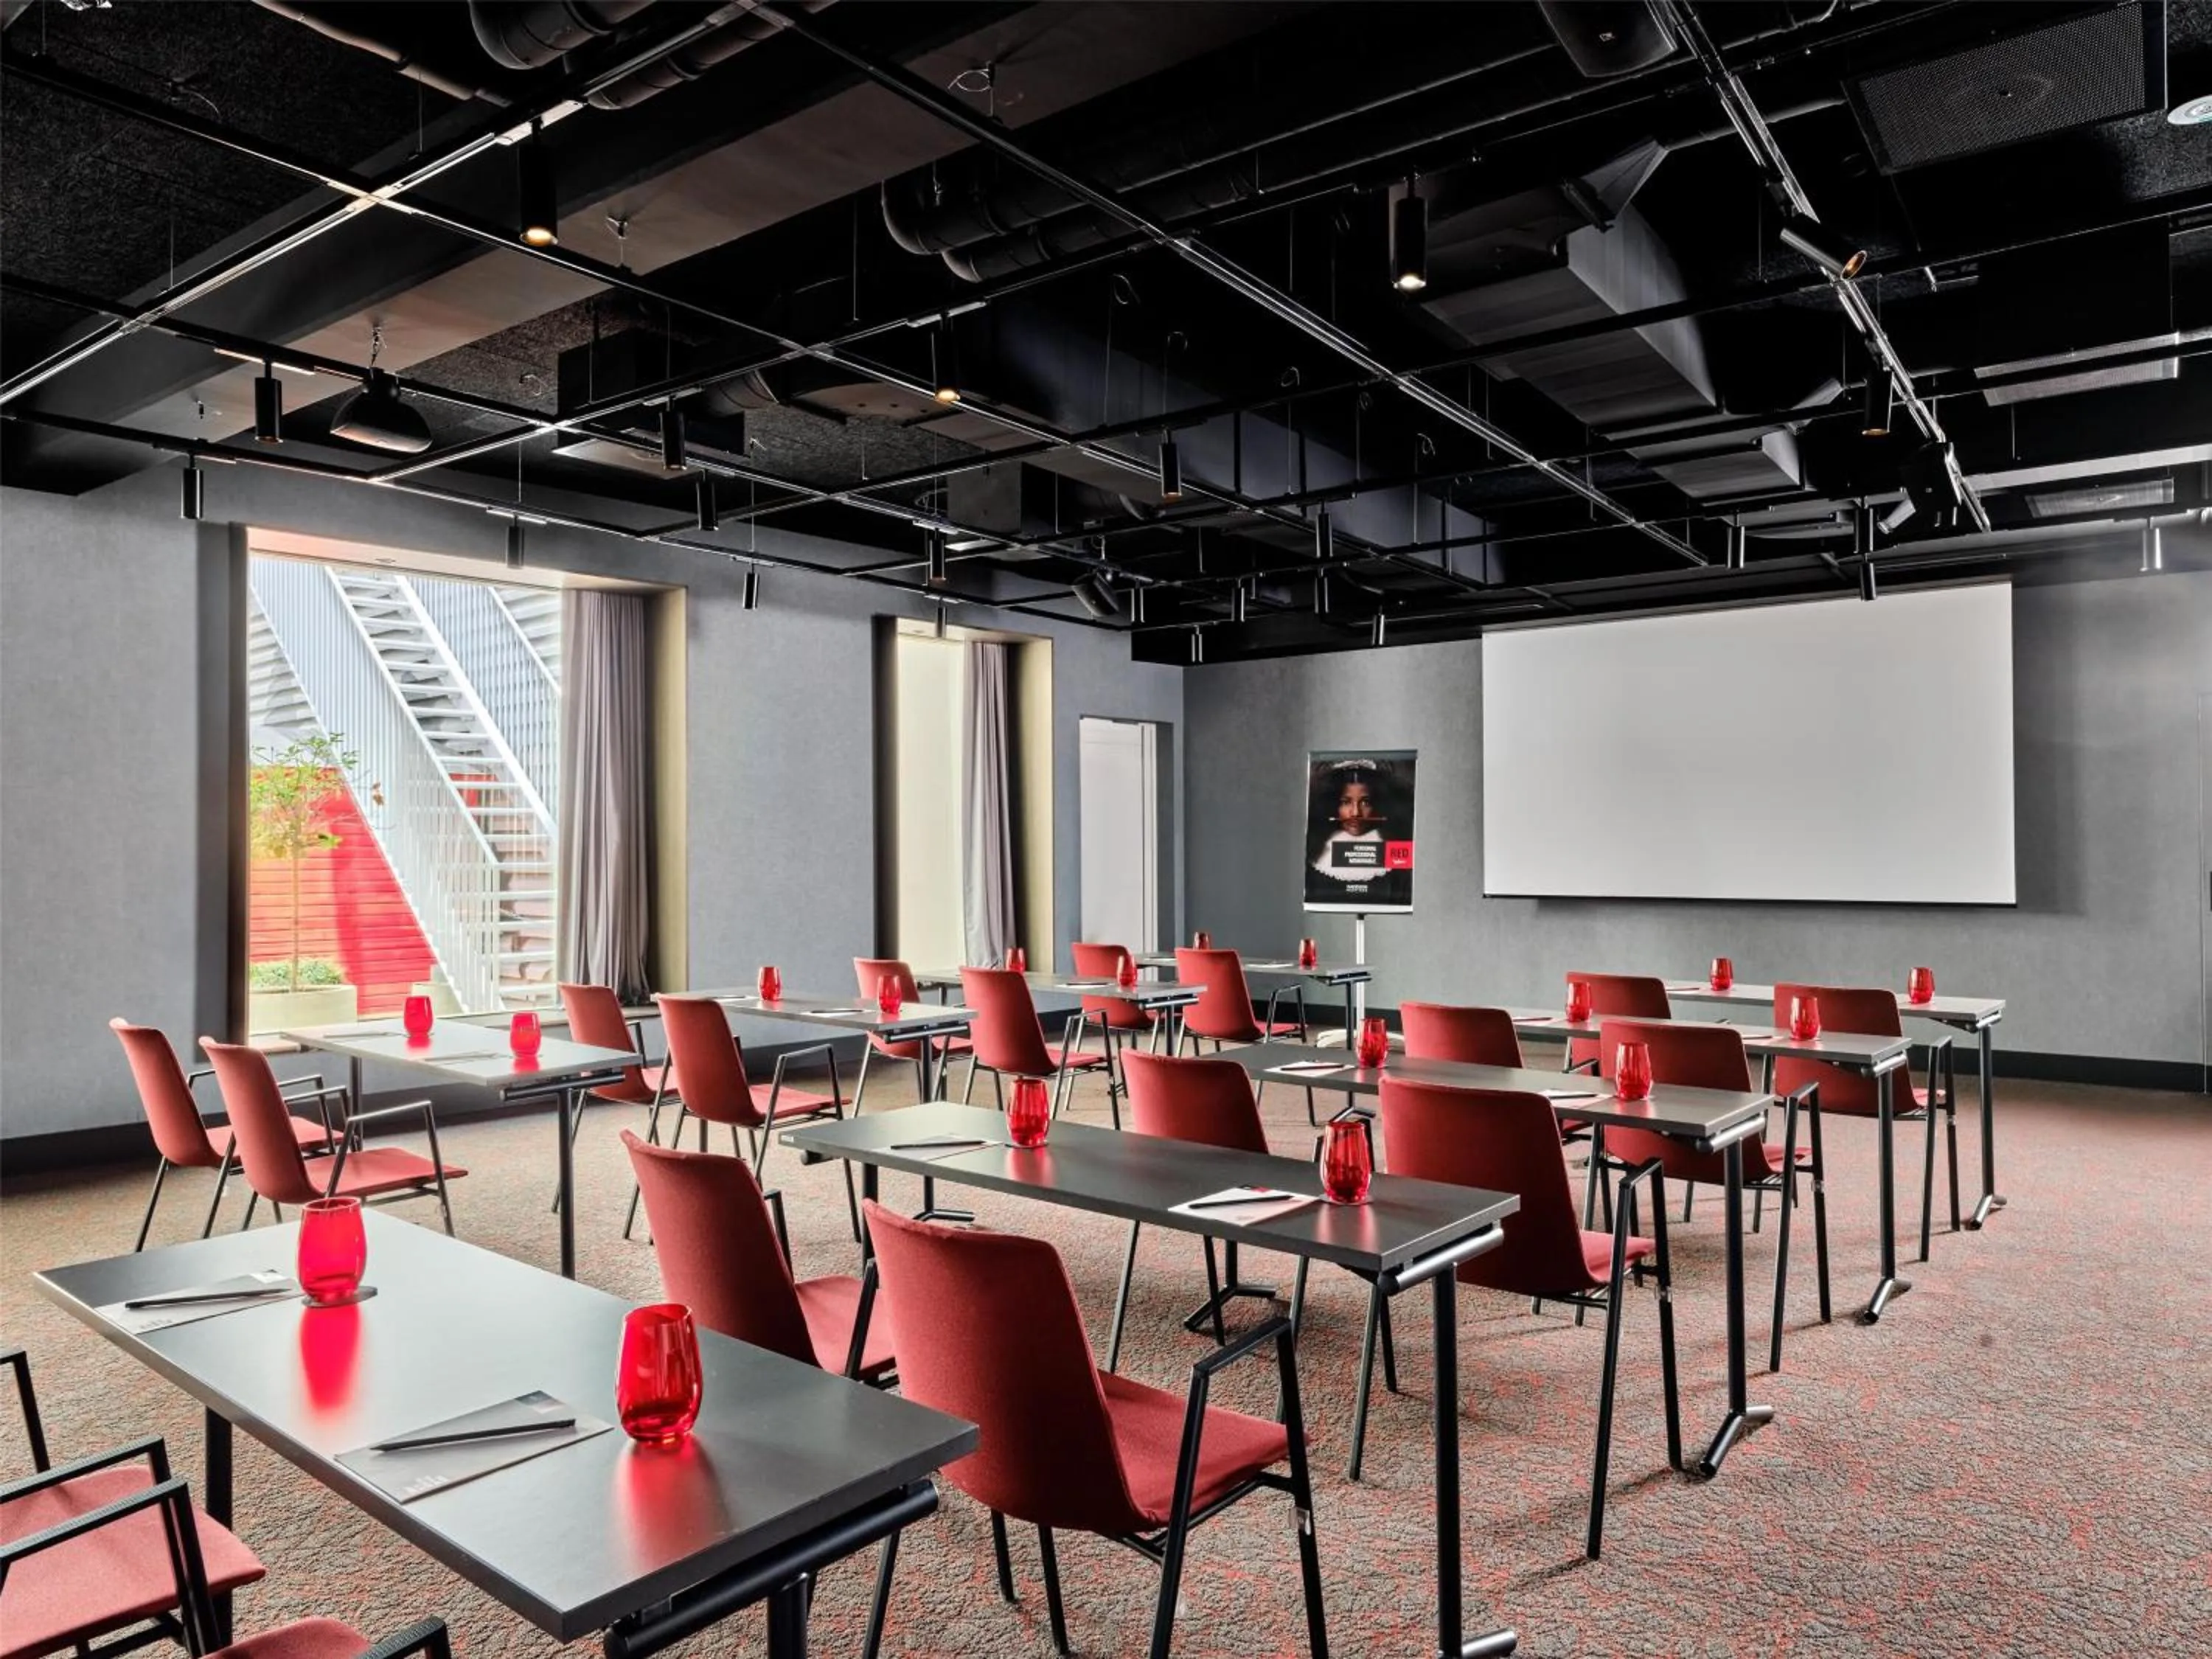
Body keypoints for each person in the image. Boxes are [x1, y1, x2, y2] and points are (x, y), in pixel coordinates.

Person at [1305, 761, 1411, 908]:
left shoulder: (1397, 850)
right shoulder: (1314, 853)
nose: (1355, 813)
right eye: (1345, 802)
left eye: (1365, 802)